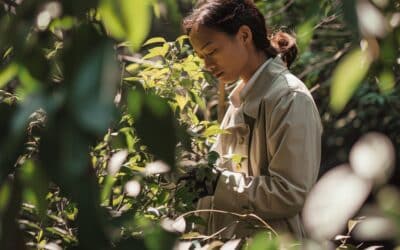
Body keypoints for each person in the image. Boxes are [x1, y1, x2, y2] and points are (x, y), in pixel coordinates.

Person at [182, 0, 323, 240]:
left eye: (212, 51)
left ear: (244, 36)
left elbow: (291, 193)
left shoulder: (289, 98)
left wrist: (217, 183)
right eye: (201, 57)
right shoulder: (241, 98)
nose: (206, 65)